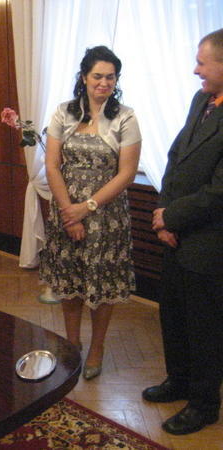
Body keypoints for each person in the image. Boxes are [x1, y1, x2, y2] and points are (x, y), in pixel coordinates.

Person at [40, 46, 141, 380]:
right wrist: (69, 212)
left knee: (102, 285)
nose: (104, 83)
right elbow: (52, 165)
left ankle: (97, 347)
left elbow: (127, 174)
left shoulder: (125, 117)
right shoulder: (63, 113)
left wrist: (87, 207)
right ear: (83, 77)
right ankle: (72, 343)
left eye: (111, 77)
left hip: (106, 216)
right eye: (97, 76)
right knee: (70, 280)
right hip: (65, 210)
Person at [142, 28, 223, 435]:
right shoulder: (201, 100)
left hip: (209, 244)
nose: (195, 71)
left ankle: (205, 404)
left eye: (202, 63)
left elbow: (219, 192)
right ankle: (179, 381)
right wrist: (162, 214)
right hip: (175, 235)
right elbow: (176, 156)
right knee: (172, 315)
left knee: (204, 328)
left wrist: (171, 217)